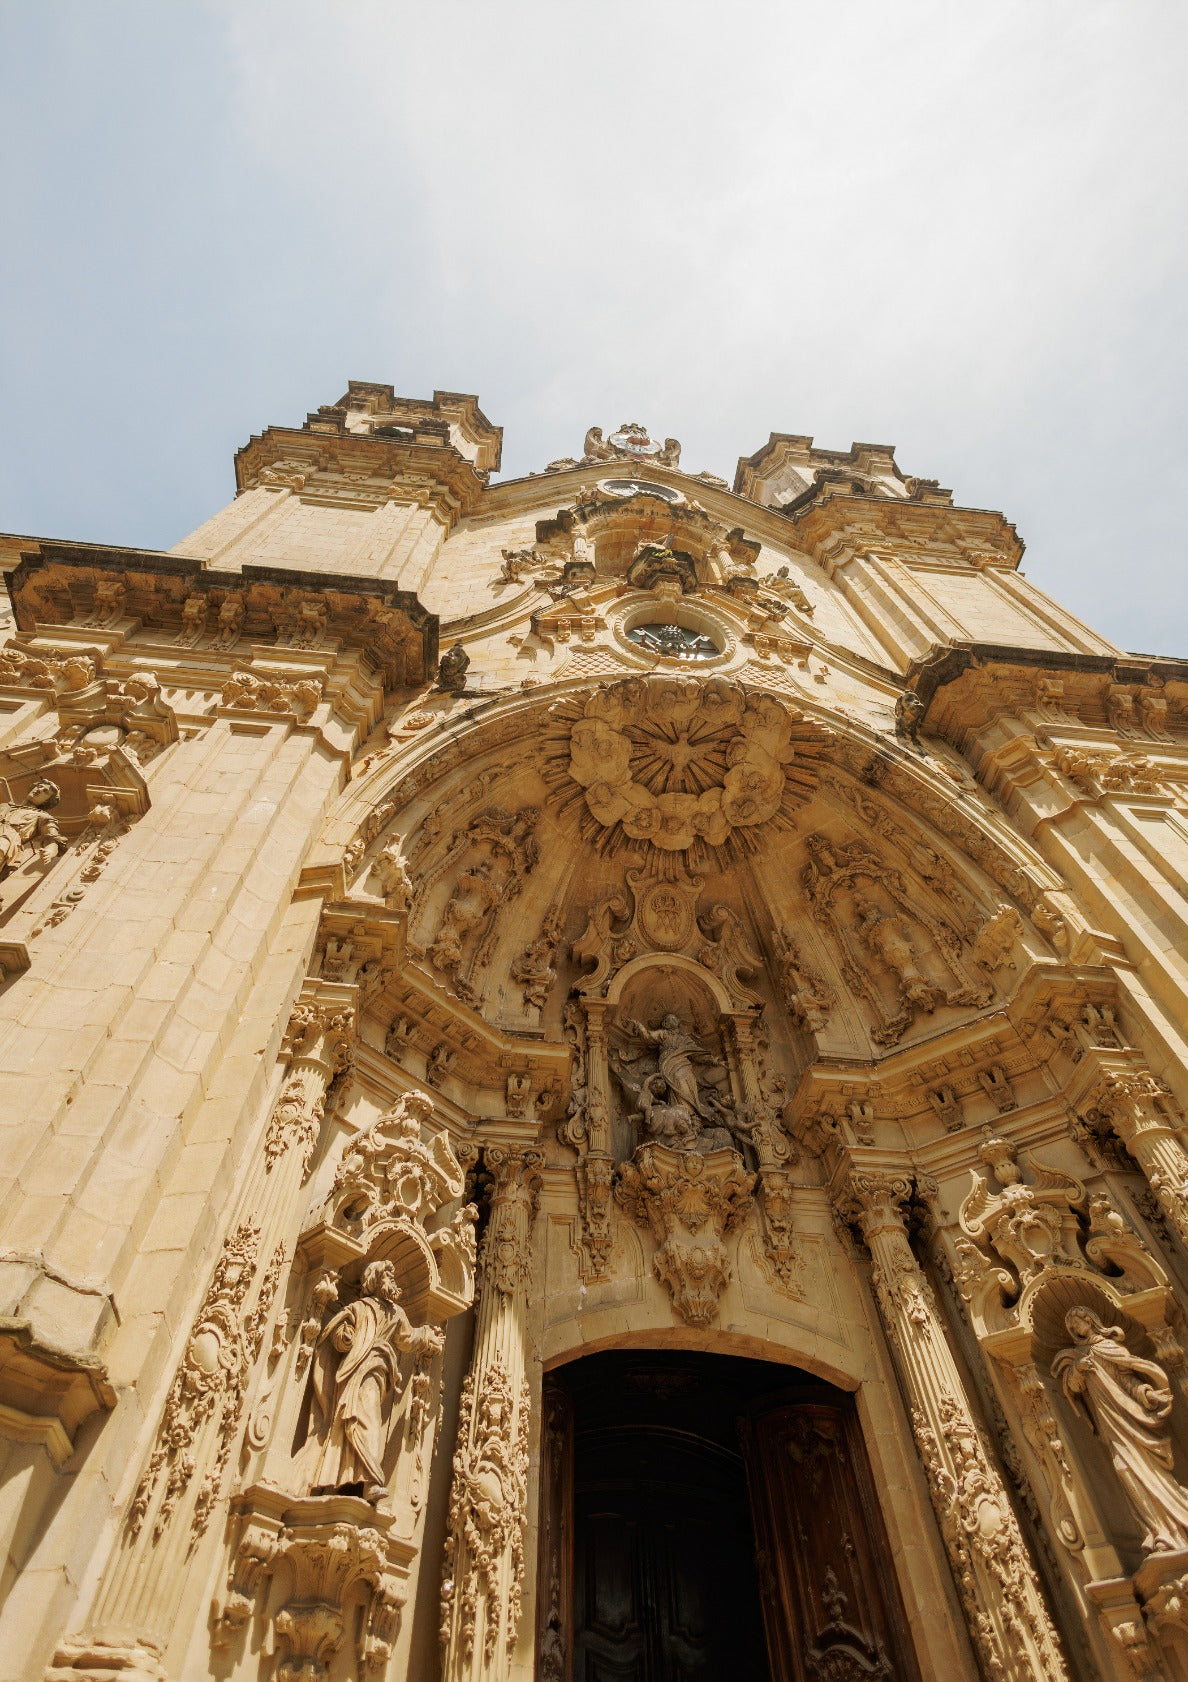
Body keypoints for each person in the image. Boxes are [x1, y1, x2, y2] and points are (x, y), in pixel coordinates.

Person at [1053, 1306, 1188, 1553]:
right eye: (1072, 1327)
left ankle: (1175, 1523)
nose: (1075, 1328)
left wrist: (1145, 1393)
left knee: (1144, 1468)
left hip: (1130, 1420)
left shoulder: (1109, 1347)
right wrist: (1078, 1370)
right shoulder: (1078, 1357)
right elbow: (1073, 1387)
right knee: (1123, 1468)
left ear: (1090, 1321)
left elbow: (1127, 1379)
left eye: (1078, 1323)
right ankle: (1157, 1530)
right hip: (1109, 1423)